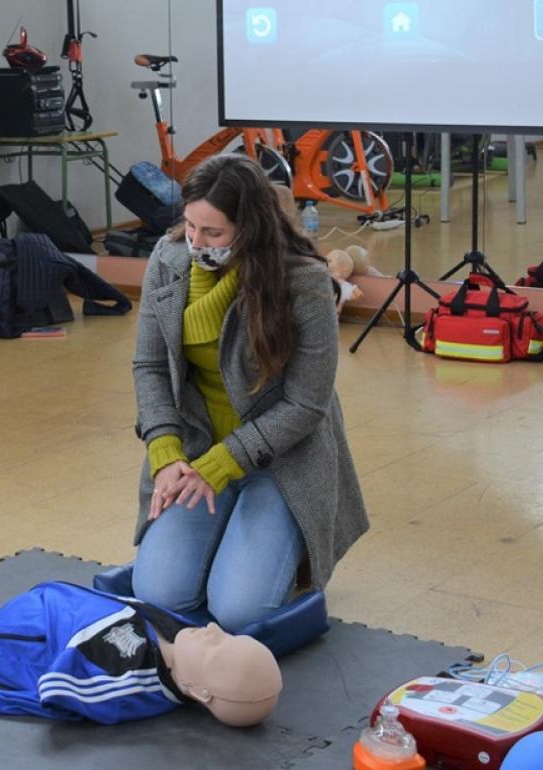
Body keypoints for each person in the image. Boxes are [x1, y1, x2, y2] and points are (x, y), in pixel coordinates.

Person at [130, 153, 368, 630]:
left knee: (239, 611)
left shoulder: (303, 280)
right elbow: (150, 365)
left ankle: (281, 540)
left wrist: (225, 464)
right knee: (159, 593)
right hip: (198, 455)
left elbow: (306, 404)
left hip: (281, 463)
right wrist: (165, 450)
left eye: (213, 233)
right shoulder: (167, 257)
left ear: (251, 227)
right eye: (191, 226)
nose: (197, 242)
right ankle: (231, 532)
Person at [0, 581, 282, 726]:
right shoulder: (188, 640)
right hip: (66, 599)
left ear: (200, 691)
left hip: (11, 635)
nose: (213, 629)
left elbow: (53, 696)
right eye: (226, 635)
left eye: (217, 647)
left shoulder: (124, 683)